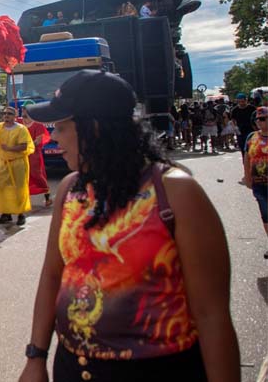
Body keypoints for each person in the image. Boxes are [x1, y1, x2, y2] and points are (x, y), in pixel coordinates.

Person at [19, 70, 240, 382]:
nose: (54, 136)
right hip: (72, 368)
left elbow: (212, 316)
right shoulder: (70, 189)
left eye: (62, 126)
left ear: (93, 128)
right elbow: (53, 275)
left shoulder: (176, 192)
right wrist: (36, 357)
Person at [0, 107, 35, 226]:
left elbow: (23, 146)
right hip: (3, 163)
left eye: (9, 114)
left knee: (19, 188)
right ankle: (6, 214)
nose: (6, 115)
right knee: (2, 188)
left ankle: (21, 214)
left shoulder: (21, 129)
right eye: (4, 113)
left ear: (15, 116)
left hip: (18, 163)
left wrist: (9, 148)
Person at [244, 106, 268, 259]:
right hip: (259, 183)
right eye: (258, 119)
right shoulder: (251, 137)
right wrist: (247, 177)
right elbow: (247, 158)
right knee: (266, 215)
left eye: (263, 118)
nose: (259, 122)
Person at [22, 107, 52, 207]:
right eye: (23, 110)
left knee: (37, 175)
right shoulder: (19, 123)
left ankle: (47, 194)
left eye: (26, 110)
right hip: (21, 154)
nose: (23, 112)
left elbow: (38, 140)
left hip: (34, 154)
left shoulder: (38, 124)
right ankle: (24, 199)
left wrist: (26, 147)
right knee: (23, 176)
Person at [231, 92, 257, 157]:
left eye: (243, 101)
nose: (242, 103)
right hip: (240, 131)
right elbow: (233, 120)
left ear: (246, 100)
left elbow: (257, 118)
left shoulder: (252, 108)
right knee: (243, 149)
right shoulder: (235, 110)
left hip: (251, 130)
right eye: (239, 101)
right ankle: (245, 164)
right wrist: (235, 128)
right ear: (237, 101)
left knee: (252, 148)